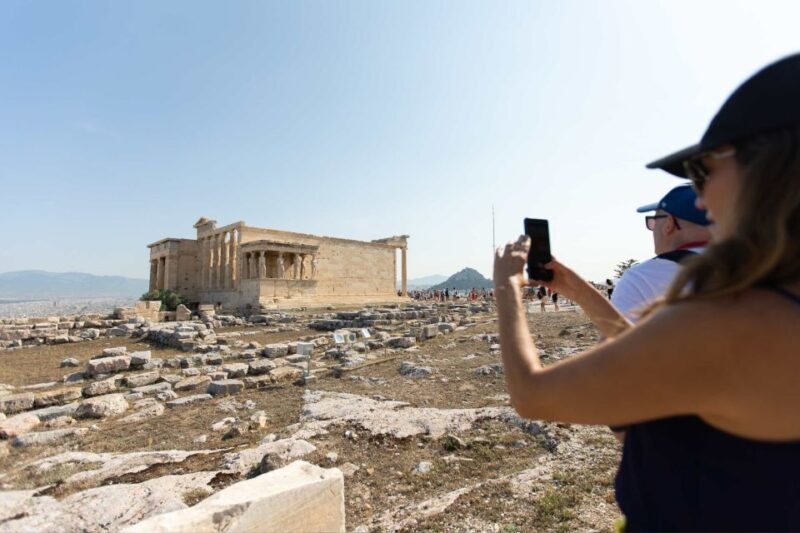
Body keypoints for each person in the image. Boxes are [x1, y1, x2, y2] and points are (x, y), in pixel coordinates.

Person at [493, 53, 800, 531]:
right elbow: (654, 354)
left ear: (765, 171)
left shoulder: (732, 322)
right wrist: (579, 290)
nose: (700, 196)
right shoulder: (775, 305)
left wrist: (506, 288)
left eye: (703, 170)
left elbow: (534, 395)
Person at [612, 185, 712, 320]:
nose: (653, 230)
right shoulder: (739, 263)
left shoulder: (642, 277)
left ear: (669, 223)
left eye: (653, 221)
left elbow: (619, 331)